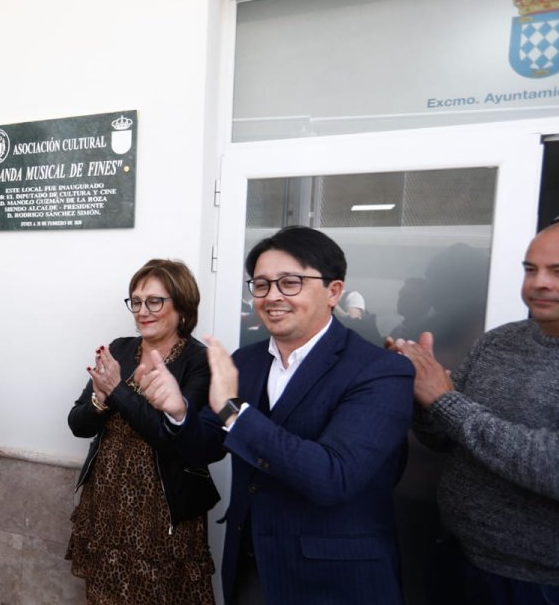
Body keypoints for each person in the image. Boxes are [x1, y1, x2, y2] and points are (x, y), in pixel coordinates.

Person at [143, 226, 414, 605]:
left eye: (290, 283)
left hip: (336, 579)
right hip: (252, 567)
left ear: (334, 291)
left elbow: (333, 477)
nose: (272, 297)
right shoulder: (246, 362)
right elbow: (205, 446)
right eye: (261, 285)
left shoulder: (380, 371)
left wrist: (235, 412)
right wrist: (177, 410)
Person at [392, 220, 559, 605]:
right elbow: (442, 437)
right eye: (530, 269)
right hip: (455, 552)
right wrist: (419, 386)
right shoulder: (498, 342)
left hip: (539, 581)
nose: (539, 283)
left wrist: (443, 399)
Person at [65, 259, 219, 604]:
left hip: (163, 511)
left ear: (181, 306)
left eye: (154, 301)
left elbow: (173, 439)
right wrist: (100, 400)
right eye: (135, 301)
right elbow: (77, 424)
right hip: (106, 502)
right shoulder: (120, 349)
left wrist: (117, 391)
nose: (142, 311)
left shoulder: (199, 361)